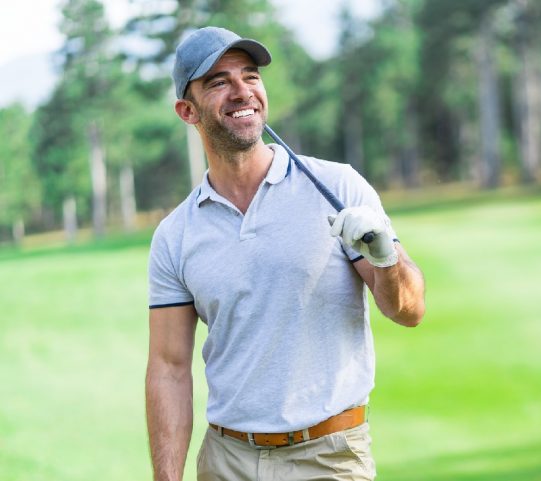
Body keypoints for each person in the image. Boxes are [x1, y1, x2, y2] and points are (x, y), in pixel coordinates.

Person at [145, 26, 425, 481]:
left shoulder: (336, 188)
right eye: (219, 81)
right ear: (187, 110)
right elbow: (169, 367)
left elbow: (408, 311)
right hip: (226, 461)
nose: (242, 91)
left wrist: (384, 258)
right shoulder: (175, 235)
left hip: (329, 457)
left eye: (250, 76)